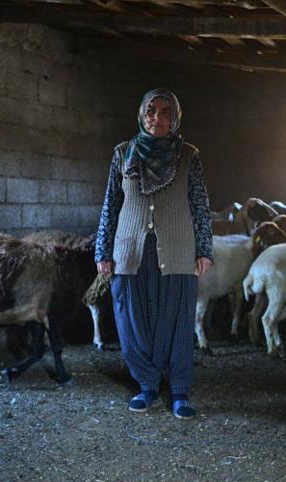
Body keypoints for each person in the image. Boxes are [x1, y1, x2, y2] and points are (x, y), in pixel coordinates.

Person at [95, 89, 213, 420]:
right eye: (151, 112)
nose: (156, 118)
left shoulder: (188, 155)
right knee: (133, 318)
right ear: (142, 115)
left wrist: (204, 248)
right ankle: (146, 385)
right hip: (130, 249)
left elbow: (200, 205)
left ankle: (178, 389)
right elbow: (111, 205)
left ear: (174, 117)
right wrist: (103, 250)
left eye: (164, 112)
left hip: (176, 248)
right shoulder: (122, 154)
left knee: (175, 318)